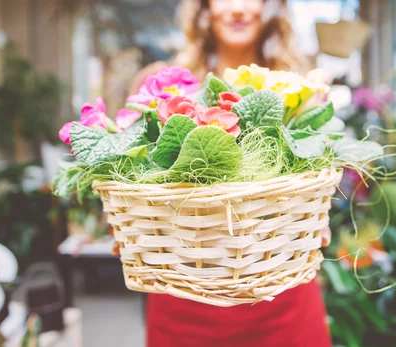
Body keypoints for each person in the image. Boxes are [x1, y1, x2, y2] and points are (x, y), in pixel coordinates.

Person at [130, 1, 332, 346]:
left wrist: (317, 215)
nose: (238, 8)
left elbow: (320, 176)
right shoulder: (163, 85)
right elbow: (131, 174)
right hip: (185, 291)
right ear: (204, 6)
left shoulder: (299, 90)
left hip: (278, 292)